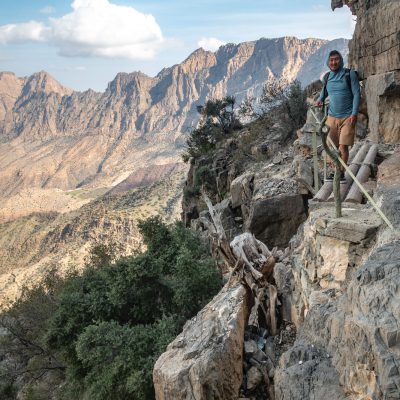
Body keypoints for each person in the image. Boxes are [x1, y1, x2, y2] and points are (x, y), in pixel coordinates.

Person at [316, 50, 361, 182]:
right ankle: (335, 170)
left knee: (343, 146)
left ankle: (340, 173)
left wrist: (354, 113)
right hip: (331, 117)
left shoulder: (349, 74)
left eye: (336, 59)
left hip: (348, 117)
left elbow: (357, 94)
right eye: (331, 60)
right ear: (328, 62)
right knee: (333, 147)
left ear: (340, 60)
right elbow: (324, 92)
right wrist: (319, 99)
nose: (334, 62)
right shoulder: (327, 77)